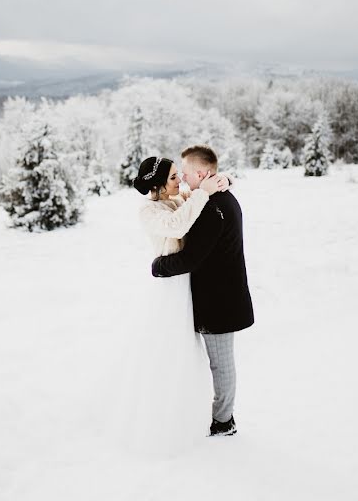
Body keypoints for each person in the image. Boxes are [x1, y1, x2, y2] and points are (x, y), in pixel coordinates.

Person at [107, 156, 229, 455]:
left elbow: (202, 191)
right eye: (174, 178)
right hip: (170, 291)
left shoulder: (177, 198)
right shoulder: (150, 211)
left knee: (188, 355)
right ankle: (161, 417)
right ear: (159, 185)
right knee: (168, 352)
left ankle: (188, 411)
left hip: (186, 286)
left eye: (179, 176)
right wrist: (202, 194)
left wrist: (224, 182)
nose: (180, 182)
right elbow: (177, 227)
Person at [151, 145, 254, 437]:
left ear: (201, 172)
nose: (182, 178)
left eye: (184, 172)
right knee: (216, 362)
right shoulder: (220, 198)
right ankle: (214, 415)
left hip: (219, 302)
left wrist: (158, 266)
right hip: (219, 296)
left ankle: (224, 421)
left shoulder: (212, 208)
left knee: (221, 365)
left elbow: (191, 258)